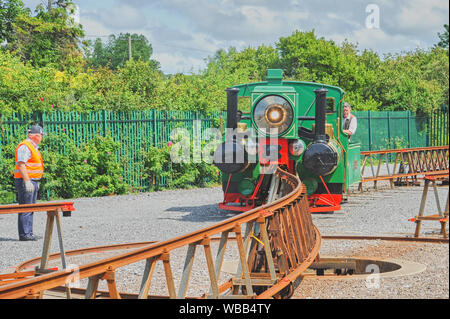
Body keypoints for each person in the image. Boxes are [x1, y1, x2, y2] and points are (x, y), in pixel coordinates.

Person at [14, 125, 45, 241]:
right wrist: (27, 181)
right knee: (26, 207)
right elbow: (21, 164)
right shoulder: (25, 147)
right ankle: (24, 234)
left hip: (32, 181)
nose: (42, 137)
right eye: (41, 135)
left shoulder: (32, 147)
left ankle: (29, 232)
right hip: (26, 181)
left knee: (31, 207)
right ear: (36, 136)